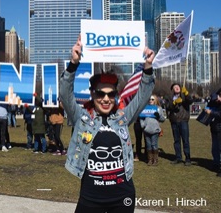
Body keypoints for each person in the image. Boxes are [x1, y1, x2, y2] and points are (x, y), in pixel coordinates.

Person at [59, 36, 155, 213]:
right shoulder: (81, 117)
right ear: (92, 94)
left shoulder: (122, 116)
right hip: (90, 197)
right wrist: (73, 64)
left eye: (111, 95)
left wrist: (148, 68)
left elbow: (142, 96)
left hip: (122, 197)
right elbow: (65, 94)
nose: (105, 99)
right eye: (100, 94)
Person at [165, 83, 193, 166]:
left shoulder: (184, 96)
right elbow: (168, 107)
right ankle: (178, 157)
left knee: (185, 140)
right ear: (172, 90)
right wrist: (174, 103)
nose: (176, 88)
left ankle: (187, 158)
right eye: (174, 87)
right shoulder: (170, 98)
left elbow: (190, 101)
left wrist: (187, 94)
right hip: (174, 121)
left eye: (178, 86)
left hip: (183, 120)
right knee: (176, 140)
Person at [139, 95, 165, 166]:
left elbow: (163, 119)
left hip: (155, 130)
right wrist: (142, 125)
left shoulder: (158, 108)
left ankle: (155, 160)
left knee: (154, 145)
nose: (151, 100)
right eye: (149, 99)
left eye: (152, 99)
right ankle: (150, 160)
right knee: (148, 145)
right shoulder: (145, 108)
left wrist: (158, 116)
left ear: (155, 100)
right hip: (146, 130)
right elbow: (141, 117)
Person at [205, 88, 221, 177]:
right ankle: (216, 163)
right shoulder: (216, 101)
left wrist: (211, 112)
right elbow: (213, 95)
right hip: (214, 128)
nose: (218, 98)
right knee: (215, 147)